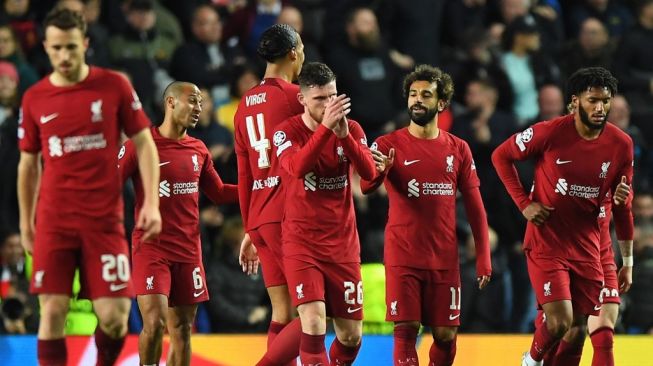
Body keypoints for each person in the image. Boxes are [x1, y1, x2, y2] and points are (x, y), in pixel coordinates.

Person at [17, 8, 161, 366]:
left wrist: (151, 204)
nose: (64, 57)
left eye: (70, 47)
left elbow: (144, 142)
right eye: (56, 49)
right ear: (46, 48)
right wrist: (25, 221)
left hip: (103, 222)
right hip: (54, 221)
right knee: (52, 312)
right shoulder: (35, 97)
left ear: (84, 43)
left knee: (114, 319)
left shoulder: (114, 86)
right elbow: (28, 164)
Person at [491, 66, 634, 366]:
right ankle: (530, 361)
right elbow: (501, 156)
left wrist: (627, 260)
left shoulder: (621, 144)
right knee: (559, 322)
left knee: (576, 332)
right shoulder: (550, 131)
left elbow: (623, 204)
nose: (600, 108)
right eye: (593, 100)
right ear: (574, 102)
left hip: (589, 247)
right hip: (548, 242)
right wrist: (524, 204)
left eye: (605, 101)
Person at [360, 64, 492, 365]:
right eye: (412, 94)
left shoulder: (458, 149)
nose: (417, 100)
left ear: (441, 103)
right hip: (403, 254)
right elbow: (367, 186)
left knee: (445, 336)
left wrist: (483, 255)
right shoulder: (386, 144)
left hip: (444, 257)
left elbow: (475, 206)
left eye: (426, 95)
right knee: (405, 329)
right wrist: (379, 172)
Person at [119, 81, 237, 365]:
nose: (200, 108)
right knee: (155, 322)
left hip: (189, 251)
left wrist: (258, 187)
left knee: (183, 328)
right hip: (152, 248)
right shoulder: (140, 145)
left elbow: (218, 193)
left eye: (201, 102)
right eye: (193, 101)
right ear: (170, 103)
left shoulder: (198, 149)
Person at [272, 61, 375, 364]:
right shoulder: (285, 132)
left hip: (343, 245)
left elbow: (368, 173)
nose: (328, 105)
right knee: (314, 322)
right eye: (320, 99)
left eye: (332, 96)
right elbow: (297, 168)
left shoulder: (352, 128)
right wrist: (326, 130)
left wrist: (344, 136)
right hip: (302, 244)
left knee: (351, 336)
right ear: (302, 99)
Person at [233, 23, 305, 365]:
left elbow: (245, 174)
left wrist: (249, 227)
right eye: (302, 48)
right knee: (314, 311)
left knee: (283, 312)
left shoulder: (244, 104)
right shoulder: (295, 98)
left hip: (261, 216)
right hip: (288, 216)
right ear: (293, 53)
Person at [536, 190, 632, 366]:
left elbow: (624, 205)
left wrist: (628, 263)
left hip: (600, 258)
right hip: (561, 257)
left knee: (604, 335)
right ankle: (534, 359)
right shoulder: (560, 168)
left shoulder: (616, 165)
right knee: (569, 331)